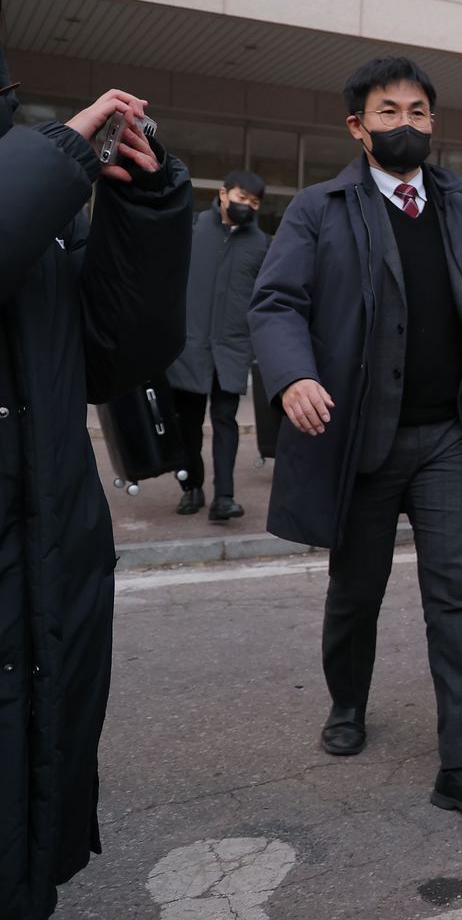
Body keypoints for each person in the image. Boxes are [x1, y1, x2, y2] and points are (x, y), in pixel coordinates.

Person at [249, 56, 462, 819]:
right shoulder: (318, 209)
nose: (405, 124)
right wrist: (294, 377)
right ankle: (346, 704)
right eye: (387, 112)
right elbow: (275, 304)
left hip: (445, 438)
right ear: (357, 126)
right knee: (355, 592)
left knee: (454, 597)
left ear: (433, 123)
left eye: (417, 112)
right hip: (361, 440)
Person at [0, 45, 192, 918]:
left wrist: (141, 205)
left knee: (29, 801)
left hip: (49, 553)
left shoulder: (34, 180)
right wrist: (60, 159)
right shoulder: (35, 171)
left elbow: (115, 355)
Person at [167, 169, 270, 520]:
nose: (248, 206)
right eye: (243, 198)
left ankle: (223, 498)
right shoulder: (192, 229)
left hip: (232, 349)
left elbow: (264, 300)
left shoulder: (261, 244)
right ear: (224, 195)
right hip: (190, 346)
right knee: (189, 424)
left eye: (254, 202)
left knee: (226, 421)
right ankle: (191, 487)